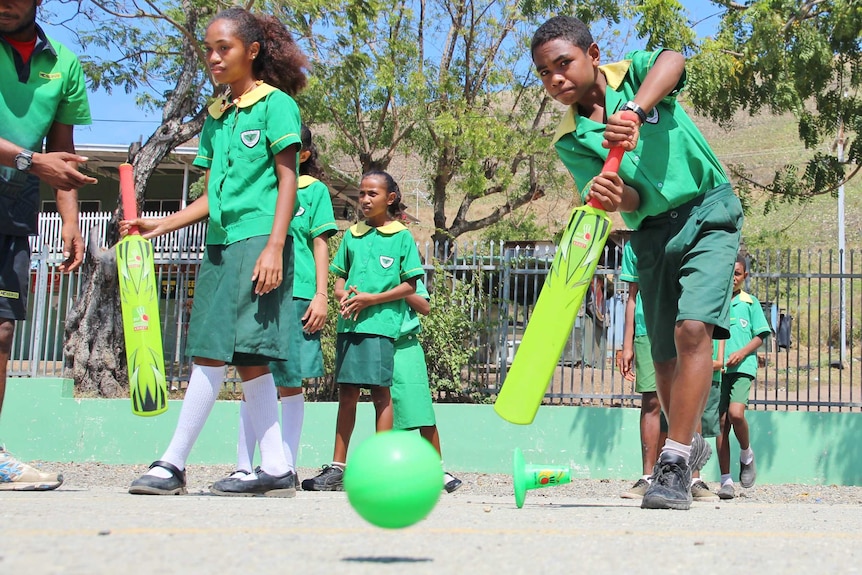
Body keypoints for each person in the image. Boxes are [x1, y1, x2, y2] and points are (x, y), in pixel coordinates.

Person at [532, 15, 742, 510]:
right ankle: (684, 446)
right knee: (665, 357)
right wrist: (610, 193)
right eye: (544, 73)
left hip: (708, 207)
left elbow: (674, 60)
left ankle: (670, 464)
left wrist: (635, 106)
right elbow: (627, 197)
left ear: (593, 54)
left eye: (563, 64)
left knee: (694, 331)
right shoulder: (569, 139)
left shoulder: (637, 73)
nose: (555, 79)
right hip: (650, 232)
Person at [125, 6, 308, 497]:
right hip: (221, 244)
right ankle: (276, 469)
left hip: (259, 241)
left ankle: (173, 462)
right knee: (244, 355)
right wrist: (160, 224)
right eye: (207, 48)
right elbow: (212, 197)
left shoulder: (277, 106)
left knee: (224, 351)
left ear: (252, 51)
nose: (212, 57)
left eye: (222, 48)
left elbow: (288, 180)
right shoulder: (216, 115)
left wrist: (274, 246)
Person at [0, 0, 95, 491]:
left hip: (12, 211)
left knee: (0, 333)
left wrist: (71, 223)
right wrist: (32, 162)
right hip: (21, 179)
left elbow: (62, 154)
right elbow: (41, 160)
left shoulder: (62, 63)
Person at [217, 124, 337, 493]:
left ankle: (283, 464)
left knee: (290, 383)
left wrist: (321, 295)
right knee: (252, 380)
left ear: (302, 155)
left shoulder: (314, 191)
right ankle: (242, 467)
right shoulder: (261, 189)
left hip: (298, 294)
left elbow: (319, 244)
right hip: (260, 290)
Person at [302, 170, 424, 491]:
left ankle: (380, 467)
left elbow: (410, 284)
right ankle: (337, 468)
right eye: (362, 194)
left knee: (381, 396)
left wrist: (372, 299)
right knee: (347, 395)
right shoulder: (352, 235)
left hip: (381, 327)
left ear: (390, 198)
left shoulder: (401, 236)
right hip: (349, 326)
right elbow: (339, 280)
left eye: (373, 194)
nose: (366, 200)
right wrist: (344, 296)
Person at [617, 241, 716, 501]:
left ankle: (693, 477)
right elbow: (631, 296)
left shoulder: (692, 237)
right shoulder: (635, 246)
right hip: (645, 329)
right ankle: (648, 476)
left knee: (689, 401)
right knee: (650, 401)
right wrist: (626, 345)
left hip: (683, 327)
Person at [395, 278, 462, 493]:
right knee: (389, 413)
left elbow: (424, 307)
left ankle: (437, 470)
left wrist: (396, 288)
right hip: (375, 343)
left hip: (405, 346)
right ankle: (394, 472)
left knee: (421, 411)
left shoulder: (406, 274)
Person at [716, 254, 769, 499]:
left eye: (737, 274)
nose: (733, 278)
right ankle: (725, 480)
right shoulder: (716, 302)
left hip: (742, 368)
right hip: (719, 369)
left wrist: (741, 353)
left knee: (736, 414)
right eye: (729, 273)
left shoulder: (750, 303)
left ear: (744, 276)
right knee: (721, 424)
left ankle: (746, 454)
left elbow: (760, 335)